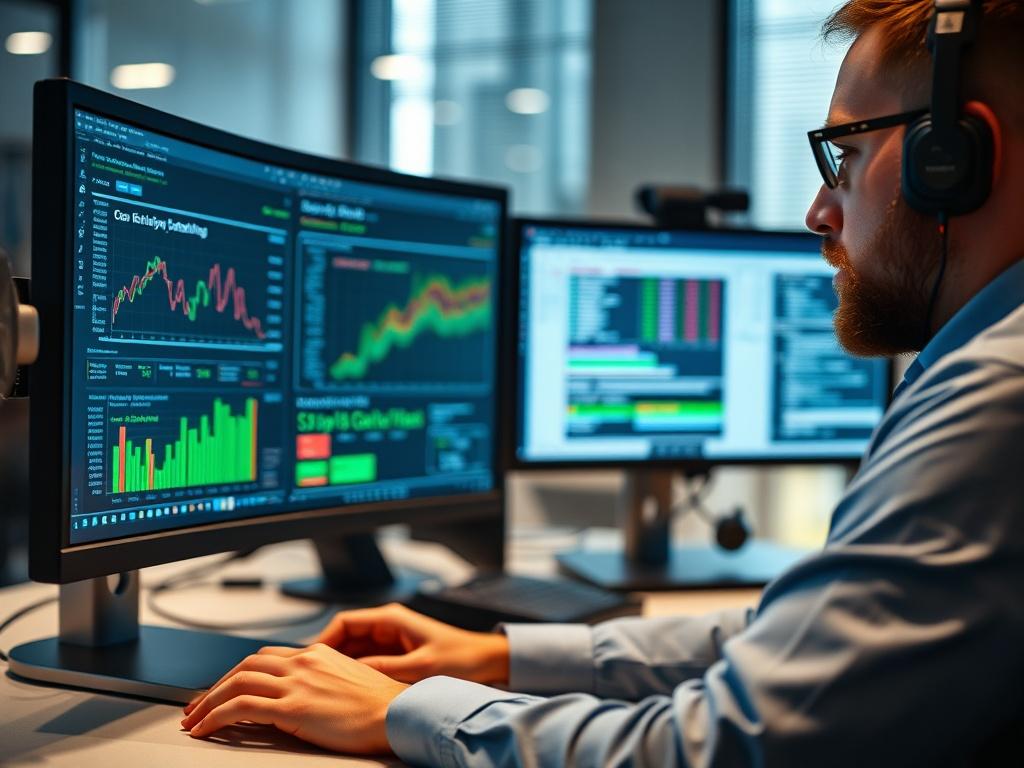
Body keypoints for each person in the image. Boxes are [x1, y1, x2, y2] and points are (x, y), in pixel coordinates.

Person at [180, 1, 1024, 764]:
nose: (818, 210)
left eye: (847, 152)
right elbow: (810, 648)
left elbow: (727, 745)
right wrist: (503, 656)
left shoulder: (993, 393)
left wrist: (406, 712)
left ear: (951, 158)